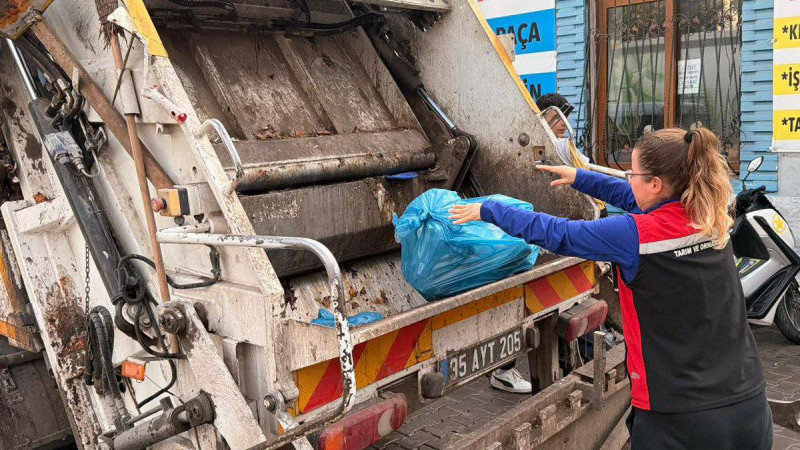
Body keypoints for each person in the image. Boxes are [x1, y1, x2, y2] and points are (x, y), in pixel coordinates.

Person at [450, 127, 772, 449]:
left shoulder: (635, 235)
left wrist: (489, 209)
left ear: (656, 184)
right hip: (749, 408)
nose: (628, 179)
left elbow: (558, 233)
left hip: (679, 419)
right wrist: (580, 177)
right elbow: (634, 196)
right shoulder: (711, 217)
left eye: (632, 173)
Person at [488, 93, 575, 393]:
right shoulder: (536, 147)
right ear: (547, 117)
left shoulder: (558, 146)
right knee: (520, 304)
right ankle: (503, 369)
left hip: (539, 234)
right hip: (529, 234)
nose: (564, 125)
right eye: (559, 118)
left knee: (536, 308)